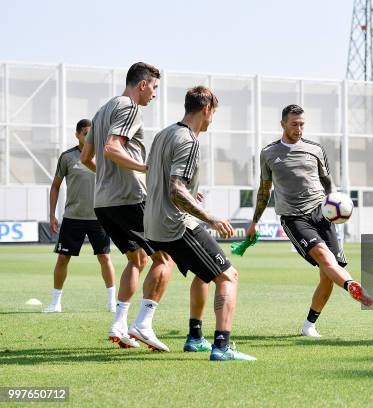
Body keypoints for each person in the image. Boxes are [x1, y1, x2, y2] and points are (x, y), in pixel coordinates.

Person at [143, 86, 255, 360]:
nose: (212, 119)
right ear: (206, 109)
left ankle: (195, 337)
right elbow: (176, 190)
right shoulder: (189, 140)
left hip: (153, 225)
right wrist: (211, 217)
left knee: (204, 274)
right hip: (177, 225)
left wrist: (192, 194)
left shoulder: (163, 134)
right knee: (228, 276)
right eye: (213, 113)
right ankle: (222, 347)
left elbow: (157, 177)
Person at [247, 104, 373, 339]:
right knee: (325, 259)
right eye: (294, 124)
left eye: (302, 124)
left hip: (321, 213)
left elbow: (327, 182)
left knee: (328, 273)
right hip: (293, 217)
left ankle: (308, 325)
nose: (299, 129)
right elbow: (265, 190)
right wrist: (255, 221)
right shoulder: (269, 153)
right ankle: (354, 287)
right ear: (283, 124)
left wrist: (335, 203)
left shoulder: (315, 149)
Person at [81, 62, 172, 349]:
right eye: (154, 87)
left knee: (137, 260)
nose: (154, 95)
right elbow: (112, 147)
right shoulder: (130, 107)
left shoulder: (101, 110)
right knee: (165, 259)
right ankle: (143, 324)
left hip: (103, 203)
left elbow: (86, 158)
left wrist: (108, 178)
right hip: (131, 197)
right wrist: (145, 169)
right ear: (142, 84)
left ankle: (119, 324)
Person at [43, 119, 115, 313]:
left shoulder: (104, 156)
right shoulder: (67, 157)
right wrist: (52, 215)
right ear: (77, 134)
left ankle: (112, 302)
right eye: (85, 133)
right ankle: (55, 303)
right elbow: (55, 186)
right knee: (63, 259)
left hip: (99, 217)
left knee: (105, 258)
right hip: (73, 217)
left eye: (91, 133)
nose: (88, 136)